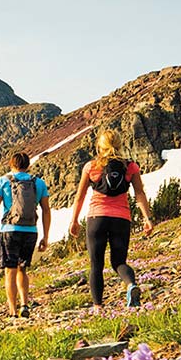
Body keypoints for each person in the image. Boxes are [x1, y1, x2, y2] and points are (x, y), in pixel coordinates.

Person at [68, 128, 154, 308]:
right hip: (121, 219)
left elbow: (79, 196)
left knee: (96, 265)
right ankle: (131, 285)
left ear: (100, 146)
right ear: (120, 144)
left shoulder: (91, 167)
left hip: (96, 218)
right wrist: (147, 218)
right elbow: (139, 193)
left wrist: (74, 220)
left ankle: (98, 307)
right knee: (119, 262)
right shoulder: (130, 166)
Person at [0, 151, 50, 319]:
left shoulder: (4, 181)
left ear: (11, 164)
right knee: (23, 269)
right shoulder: (39, 183)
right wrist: (45, 237)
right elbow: (46, 210)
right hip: (30, 231)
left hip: (9, 230)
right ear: (28, 165)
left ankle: (12, 310)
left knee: (10, 271)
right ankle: (25, 304)